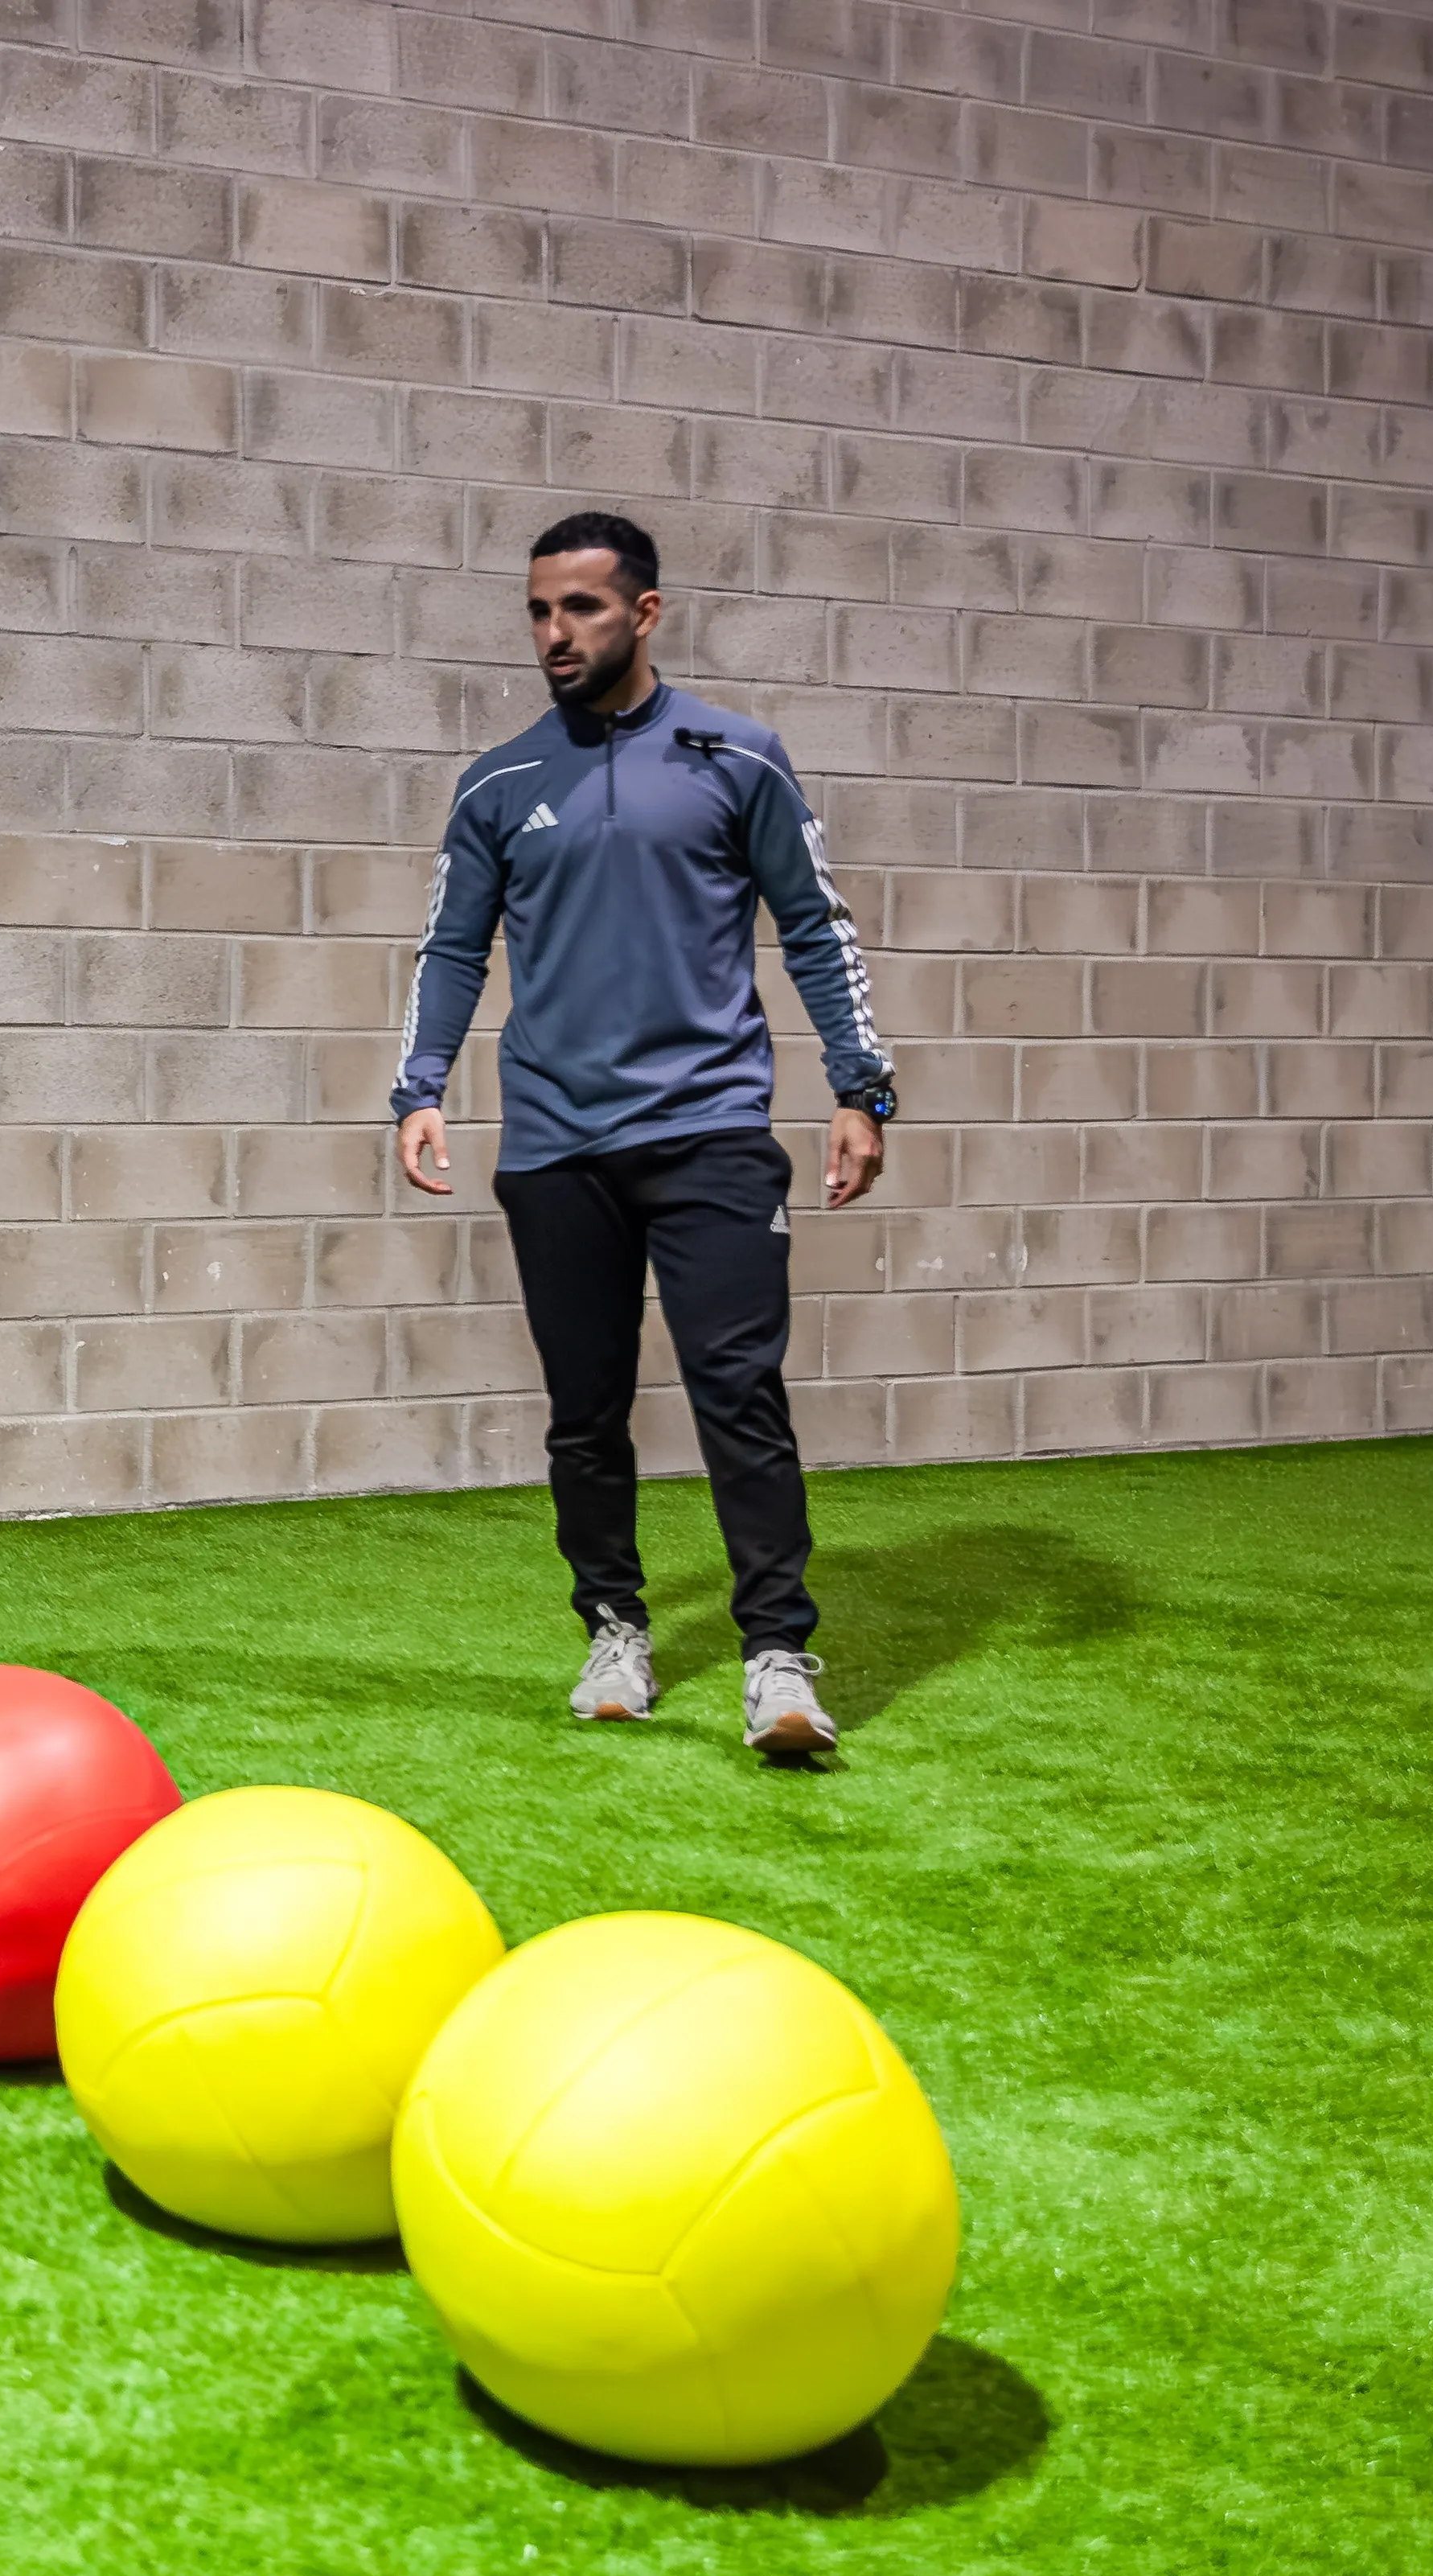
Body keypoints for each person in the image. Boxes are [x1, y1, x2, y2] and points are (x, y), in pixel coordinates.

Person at [393, 510, 897, 1760]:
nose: (552, 633)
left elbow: (815, 926)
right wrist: (418, 1086)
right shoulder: (499, 783)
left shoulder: (736, 758)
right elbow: (453, 946)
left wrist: (856, 1085)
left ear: (645, 612)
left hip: (710, 1128)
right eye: (535, 611)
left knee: (738, 1391)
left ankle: (775, 1653)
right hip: (555, 1141)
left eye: (579, 609)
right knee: (584, 1407)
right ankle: (613, 1624)